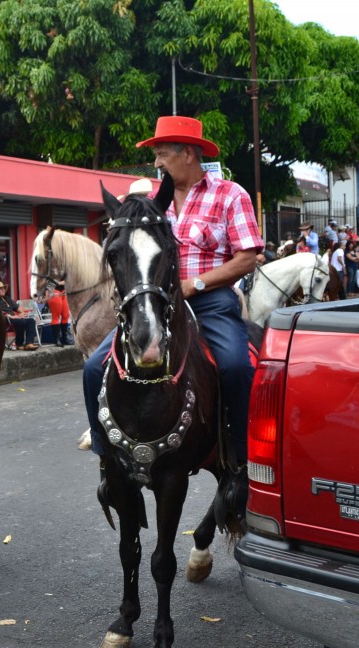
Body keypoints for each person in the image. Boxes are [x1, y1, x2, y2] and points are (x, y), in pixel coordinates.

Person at [83, 115, 263, 477]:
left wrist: (195, 284)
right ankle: (106, 454)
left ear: (188, 154)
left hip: (210, 301)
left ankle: (241, 457)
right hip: (157, 305)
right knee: (91, 369)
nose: (157, 163)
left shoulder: (231, 194)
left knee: (236, 366)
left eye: (162, 154)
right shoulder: (153, 202)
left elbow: (247, 257)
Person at [0, 281, 38, 351]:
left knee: (31, 321)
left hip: (14, 319)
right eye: (0, 288)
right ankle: (19, 344)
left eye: (3, 288)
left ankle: (29, 343)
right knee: (21, 322)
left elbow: (19, 308)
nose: (3, 289)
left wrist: (22, 313)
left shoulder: (7, 298)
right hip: (3, 320)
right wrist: (10, 316)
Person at [46, 281, 72, 347]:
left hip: (63, 291)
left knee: (66, 315)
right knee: (55, 316)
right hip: (54, 291)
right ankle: (57, 339)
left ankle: (64, 338)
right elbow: (49, 281)